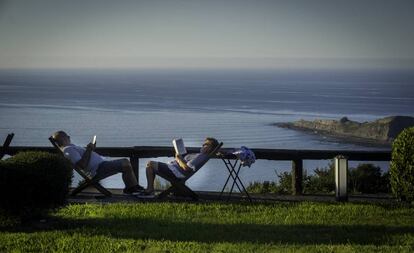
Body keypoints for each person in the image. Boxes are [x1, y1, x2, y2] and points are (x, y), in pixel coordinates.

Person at [52, 131, 144, 194]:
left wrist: (91, 150)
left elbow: (85, 160)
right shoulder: (68, 150)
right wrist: (89, 149)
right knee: (125, 162)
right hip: (98, 169)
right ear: (65, 138)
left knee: (125, 165)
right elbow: (81, 165)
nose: (68, 138)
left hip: (100, 166)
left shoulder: (70, 148)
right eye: (66, 137)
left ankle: (131, 188)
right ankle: (132, 188)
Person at [142, 137, 220, 197]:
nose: (203, 145)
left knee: (150, 164)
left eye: (206, 144)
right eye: (203, 144)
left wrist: (179, 159)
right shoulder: (201, 155)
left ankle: (150, 189)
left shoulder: (201, 156)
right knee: (149, 166)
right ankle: (151, 189)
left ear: (210, 148)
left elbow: (186, 168)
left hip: (176, 173)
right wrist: (179, 157)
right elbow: (185, 164)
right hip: (174, 169)